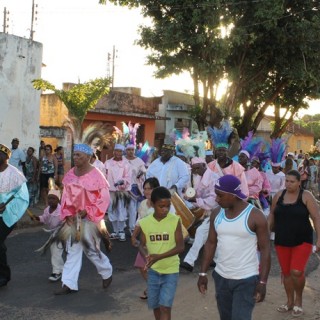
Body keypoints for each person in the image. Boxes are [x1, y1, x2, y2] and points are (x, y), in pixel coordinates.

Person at [197, 174, 271, 320]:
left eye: (220, 195)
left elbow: (265, 250)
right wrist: (203, 273)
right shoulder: (216, 213)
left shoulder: (255, 216)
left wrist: (262, 282)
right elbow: (211, 243)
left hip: (246, 279)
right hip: (221, 277)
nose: (217, 199)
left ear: (233, 195)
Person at [54, 143, 112, 295]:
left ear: (88, 157)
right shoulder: (70, 174)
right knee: (72, 249)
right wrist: (67, 214)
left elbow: (104, 198)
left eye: (79, 155)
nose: (75, 158)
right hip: (74, 219)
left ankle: (106, 272)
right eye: (74, 155)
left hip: (91, 219)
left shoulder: (97, 175)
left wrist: (88, 211)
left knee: (91, 250)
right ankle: (68, 283)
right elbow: (65, 197)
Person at [268, 170, 320, 317]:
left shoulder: (306, 196)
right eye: (286, 181)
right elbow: (272, 215)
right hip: (282, 240)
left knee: (296, 271)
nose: (288, 184)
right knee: (286, 273)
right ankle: (289, 302)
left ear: (299, 182)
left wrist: (319, 239)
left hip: (302, 240)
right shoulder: (279, 195)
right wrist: (266, 233)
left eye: (292, 181)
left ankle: (299, 301)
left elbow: (316, 217)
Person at [139, 186, 184, 320]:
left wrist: (159, 257)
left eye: (168, 206)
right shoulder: (145, 223)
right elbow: (141, 245)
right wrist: (146, 256)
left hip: (171, 270)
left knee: (165, 306)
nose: (165, 210)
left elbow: (181, 246)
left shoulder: (175, 220)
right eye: (161, 206)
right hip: (153, 272)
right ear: (152, 204)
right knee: (156, 306)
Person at [180, 157, 219, 272]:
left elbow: (213, 199)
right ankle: (215, 259)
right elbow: (198, 194)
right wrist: (189, 197)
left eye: (198, 168)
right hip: (210, 212)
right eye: (194, 169)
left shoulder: (214, 178)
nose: (196, 171)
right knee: (213, 235)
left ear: (204, 165)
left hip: (219, 211)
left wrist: (196, 201)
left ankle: (189, 261)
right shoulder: (199, 177)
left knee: (202, 232)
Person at [0, 144, 29, 287]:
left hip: (8, 216)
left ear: (6, 157)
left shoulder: (15, 175)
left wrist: (7, 206)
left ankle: (4, 276)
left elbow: (23, 198)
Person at [131, 177, 160, 300]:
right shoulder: (143, 204)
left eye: (150, 188)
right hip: (145, 241)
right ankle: (153, 286)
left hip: (158, 241)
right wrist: (133, 236)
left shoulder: (162, 203)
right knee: (141, 266)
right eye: (145, 189)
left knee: (154, 267)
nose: (147, 191)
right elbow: (139, 221)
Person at [32, 189, 64, 282]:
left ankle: (58, 271)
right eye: (49, 198)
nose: (51, 200)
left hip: (62, 233)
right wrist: (37, 218)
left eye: (53, 198)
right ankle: (59, 270)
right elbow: (44, 219)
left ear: (58, 200)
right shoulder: (47, 210)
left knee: (57, 251)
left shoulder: (61, 210)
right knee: (55, 252)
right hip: (53, 234)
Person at [105, 144, 131, 241]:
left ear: (122, 152)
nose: (118, 153)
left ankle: (121, 231)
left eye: (120, 151)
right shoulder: (107, 163)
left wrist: (122, 183)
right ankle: (115, 231)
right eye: (116, 151)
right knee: (112, 210)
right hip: (111, 191)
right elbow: (104, 175)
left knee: (121, 210)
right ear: (114, 151)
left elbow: (128, 177)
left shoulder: (126, 164)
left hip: (121, 191)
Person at [125, 144, 146, 234]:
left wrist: (141, 174)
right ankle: (130, 227)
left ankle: (136, 227)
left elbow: (144, 171)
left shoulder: (139, 161)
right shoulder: (122, 160)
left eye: (132, 150)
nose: (130, 151)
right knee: (129, 209)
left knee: (138, 208)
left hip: (136, 187)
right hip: (125, 187)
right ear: (126, 150)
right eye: (129, 149)